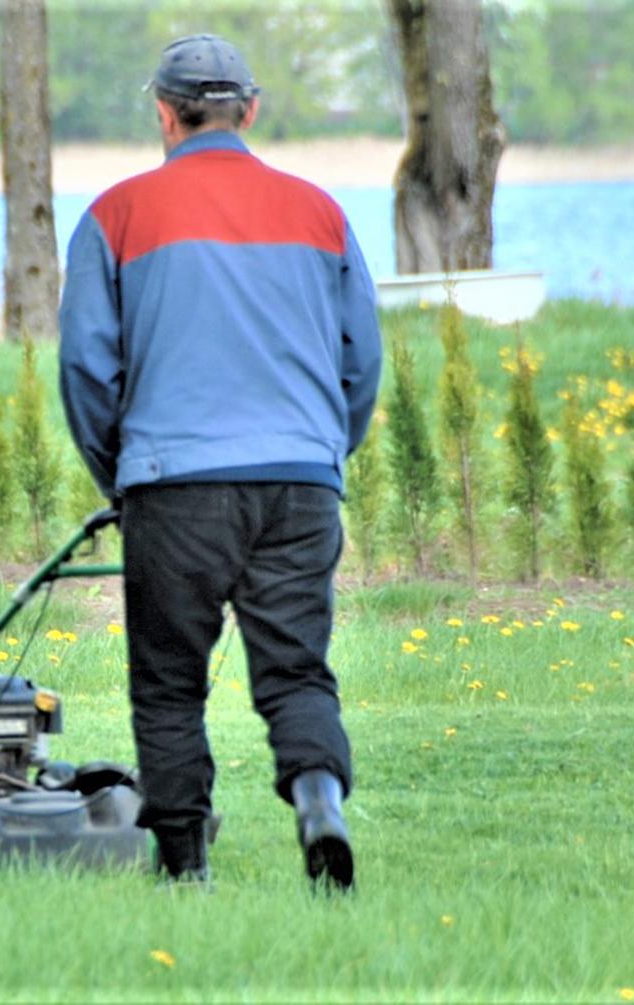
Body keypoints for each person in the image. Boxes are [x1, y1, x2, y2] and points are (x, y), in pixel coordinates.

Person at [57, 33, 382, 891]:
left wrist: (120, 472)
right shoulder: (322, 214)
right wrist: (323, 450)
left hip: (175, 484)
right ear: (252, 111)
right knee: (296, 669)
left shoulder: (115, 216)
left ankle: (185, 865)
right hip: (301, 482)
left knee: (168, 683)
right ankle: (319, 803)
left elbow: (88, 370)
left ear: (164, 115)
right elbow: (361, 360)